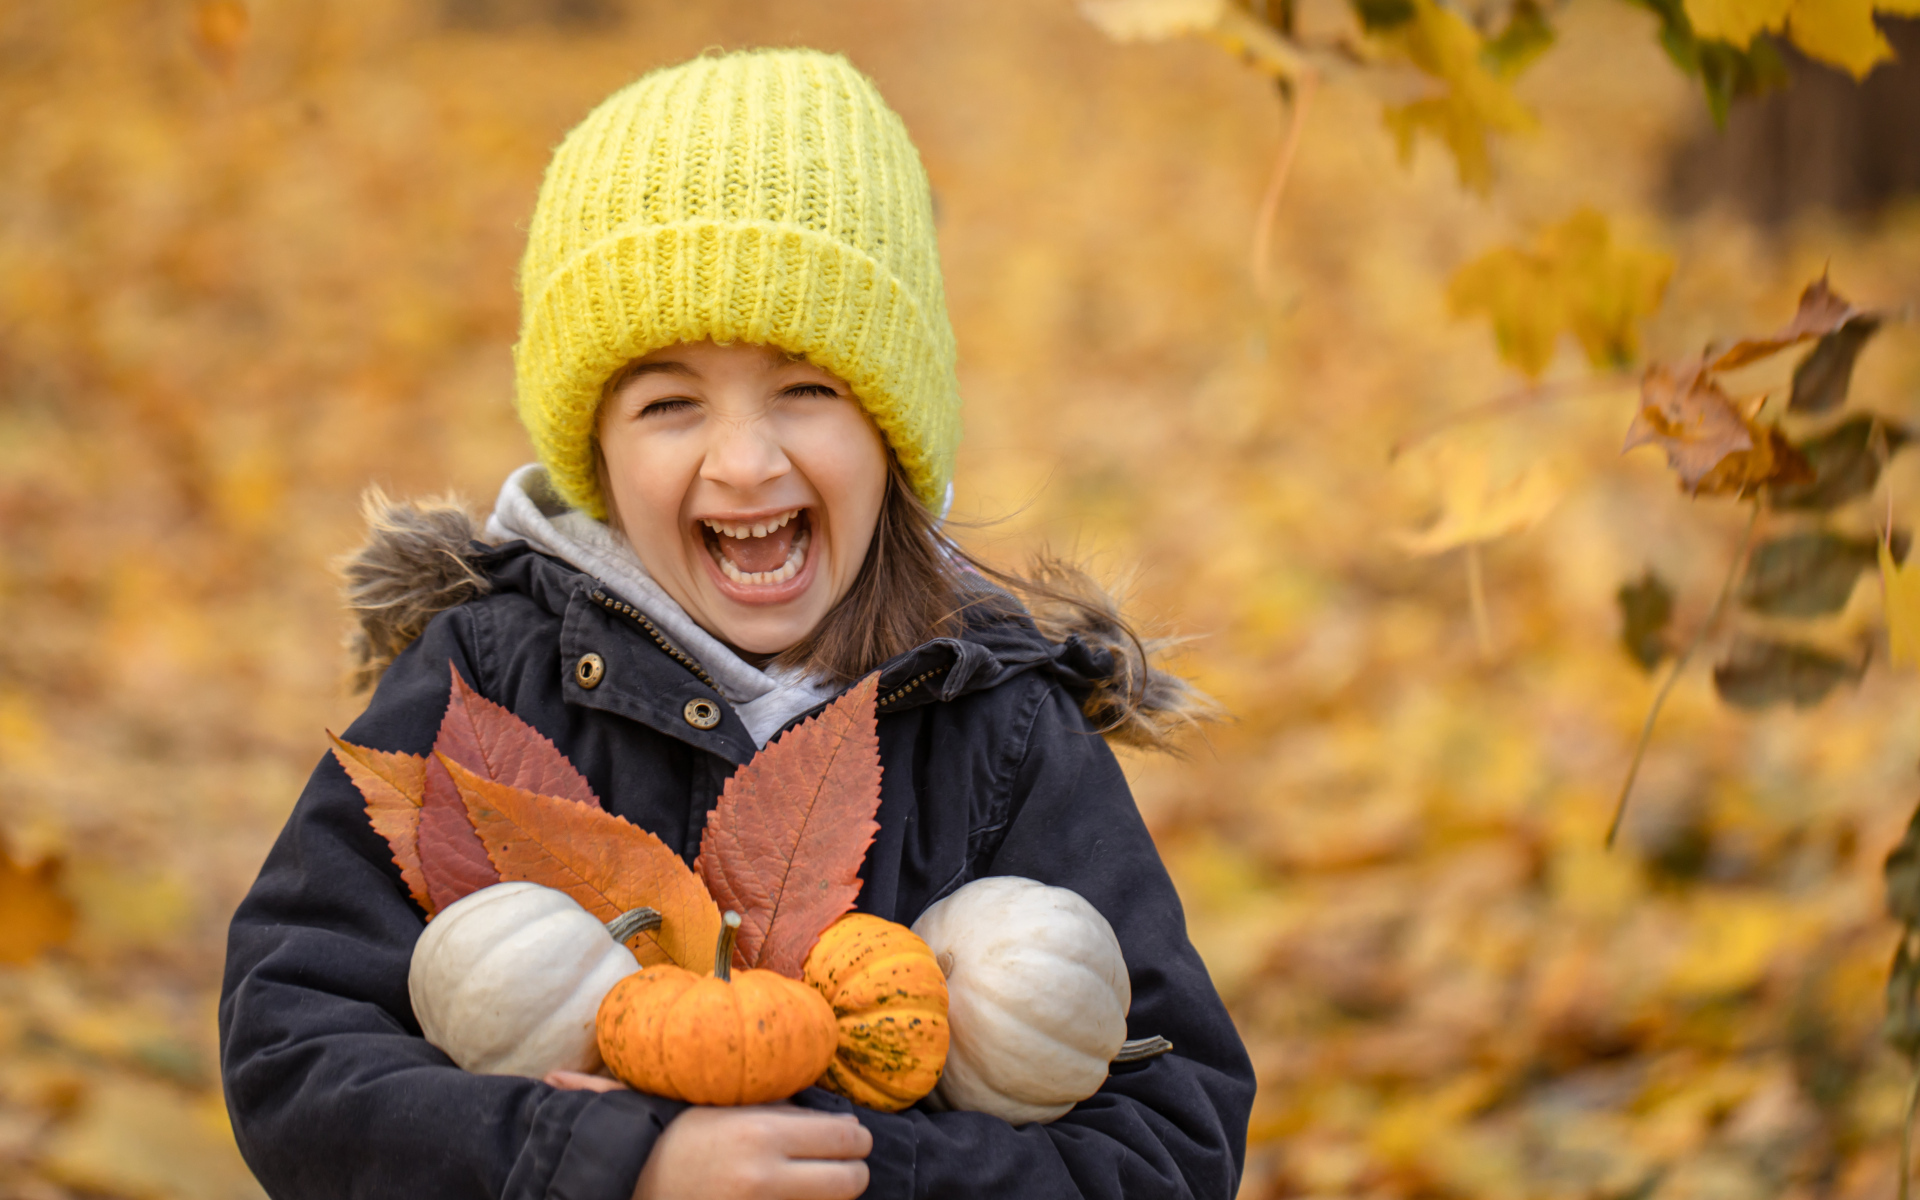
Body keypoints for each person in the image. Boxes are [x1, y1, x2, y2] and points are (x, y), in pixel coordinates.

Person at [219, 47, 1253, 1200]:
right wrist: (619, 1164)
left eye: (807, 388)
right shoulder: (489, 683)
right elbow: (293, 1053)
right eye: (670, 403)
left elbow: (1172, 1135)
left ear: (893, 426)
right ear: (598, 452)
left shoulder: (999, 726)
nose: (746, 462)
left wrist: (847, 1169)